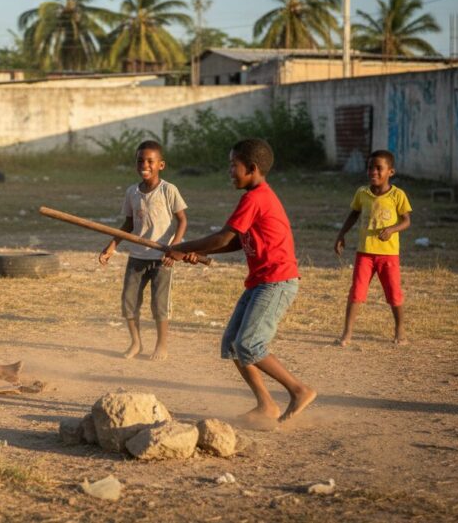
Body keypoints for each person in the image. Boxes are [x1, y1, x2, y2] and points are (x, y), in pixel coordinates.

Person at [169, 139, 315, 424]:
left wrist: (183, 248)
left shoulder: (256, 198)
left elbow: (223, 236)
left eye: (232, 165)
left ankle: (299, 390)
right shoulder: (253, 197)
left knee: (249, 345)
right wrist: (193, 252)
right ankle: (266, 405)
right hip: (261, 280)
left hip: (277, 281)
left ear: (252, 168)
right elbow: (236, 241)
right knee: (233, 344)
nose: (229, 171)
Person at [99, 140, 187, 361]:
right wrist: (112, 246)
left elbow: (182, 221)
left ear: (161, 165)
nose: (144, 165)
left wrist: (174, 249)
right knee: (128, 302)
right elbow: (128, 225)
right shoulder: (132, 192)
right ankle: (136, 342)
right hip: (137, 257)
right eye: (140, 161)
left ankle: (161, 345)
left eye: (150, 161)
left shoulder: (169, 190)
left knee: (159, 304)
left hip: (162, 257)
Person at [333, 149, 412, 346]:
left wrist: (392, 229)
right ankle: (347, 333)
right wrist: (341, 234)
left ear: (390, 172)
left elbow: (406, 221)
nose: (373, 172)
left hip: (388, 255)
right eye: (370, 167)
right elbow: (353, 214)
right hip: (364, 254)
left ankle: (400, 329)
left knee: (394, 293)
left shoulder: (397, 195)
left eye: (379, 168)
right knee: (356, 292)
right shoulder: (362, 193)